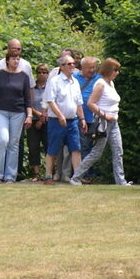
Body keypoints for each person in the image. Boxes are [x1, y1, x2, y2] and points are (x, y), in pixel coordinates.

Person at [70, 57, 130, 185]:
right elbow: (90, 103)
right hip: (103, 123)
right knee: (96, 153)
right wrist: (104, 115)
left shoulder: (111, 83)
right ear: (109, 70)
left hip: (114, 123)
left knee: (118, 151)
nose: (117, 73)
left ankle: (121, 181)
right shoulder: (101, 84)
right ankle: (76, 178)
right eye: (115, 70)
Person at [0, 46, 34, 182]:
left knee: (13, 143)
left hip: (18, 113)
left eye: (18, 59)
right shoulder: (0, 74)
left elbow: (28, 99)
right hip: (1, 111)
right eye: (13, 59)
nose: (16, 61)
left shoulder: (24, 76)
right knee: (3, 139)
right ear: (7, 60)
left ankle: (10, 176)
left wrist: (29, 115)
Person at [42, 55, 88, 183]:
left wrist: (82, 119)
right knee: (53, 149)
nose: (73, 66)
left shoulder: (75, 82)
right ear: (62, 66)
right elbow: (50, 101)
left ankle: (77, 177)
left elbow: (79, 103)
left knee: (76, 149)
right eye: (69, 64)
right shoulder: (54, 81)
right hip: (56, 121)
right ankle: (48, 176)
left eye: (73, 63)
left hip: (72, 121)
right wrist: (60, 115)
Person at [25, 63, 50, 180]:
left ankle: (50, 173)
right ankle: (36, 174)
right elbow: (28, 103)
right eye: (39, 72)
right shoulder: (31, 87)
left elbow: (53, 103)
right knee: (33, 147)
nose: (41, 74)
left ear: (48, 74)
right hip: (33, 119)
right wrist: (39, 115)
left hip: (48, 120)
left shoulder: (50, 87)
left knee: (49, 146)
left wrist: (43, 117)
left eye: (44, 72)